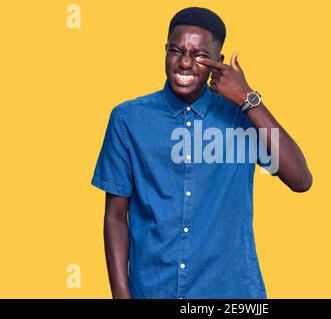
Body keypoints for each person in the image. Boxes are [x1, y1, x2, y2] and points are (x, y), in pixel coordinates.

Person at [91, 6, 312, 299]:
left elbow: (300, 180)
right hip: (153, 289)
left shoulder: (241, 116)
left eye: (199, 55)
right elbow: (115, 216)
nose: (184, 62)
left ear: (217, 62)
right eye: (176, 50)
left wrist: (249, 99)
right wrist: (121, 295)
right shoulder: (127, 119)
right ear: (165, 51)